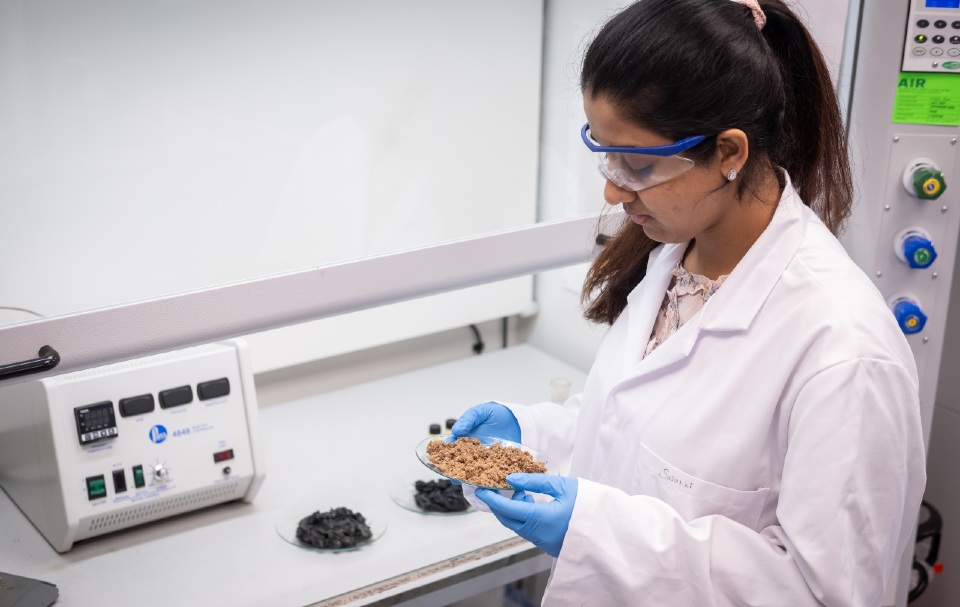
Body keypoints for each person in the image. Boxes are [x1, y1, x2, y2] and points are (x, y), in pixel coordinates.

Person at [451, 0, 926, 604]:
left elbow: (825, 593)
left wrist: (597, 531)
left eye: (639, 164)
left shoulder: (843, 350)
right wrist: (534, 435)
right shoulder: (676, 258)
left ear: (729, 153)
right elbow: (640, 437)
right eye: (604, 151)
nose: (611, 187)